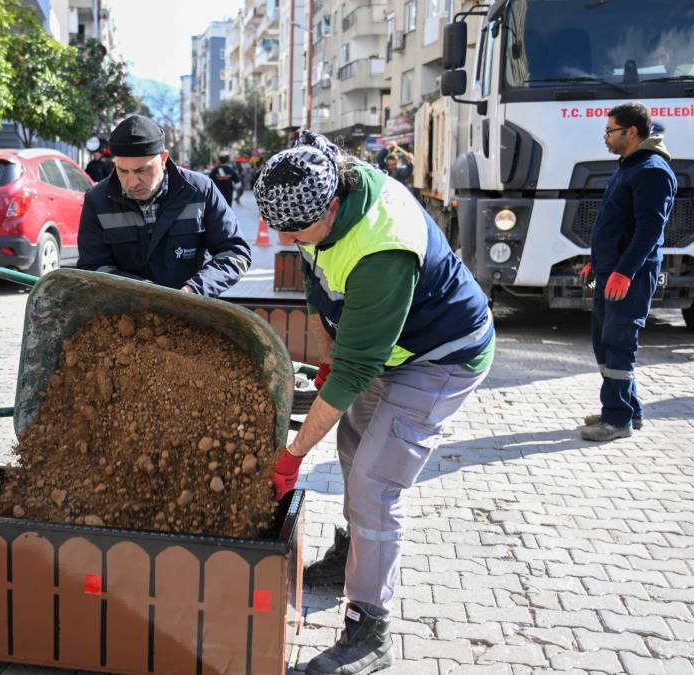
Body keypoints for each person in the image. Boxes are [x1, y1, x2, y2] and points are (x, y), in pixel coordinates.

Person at [255, 131, 495, 675]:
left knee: (374, 483)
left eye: (296, 230)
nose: (287, 238)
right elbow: (322, 291)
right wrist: (335, 351)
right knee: (350, 442)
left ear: (333, 206)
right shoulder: (318, 201)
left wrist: (292, 456)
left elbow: (356, 372)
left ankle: (371, 629)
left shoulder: (381, 246)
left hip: (442, 357)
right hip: (391, 349)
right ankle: (350, 559)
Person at [579, 102, 676, 441]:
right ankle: (625, 410)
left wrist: (624, 272)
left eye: (610, 130)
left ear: (631, 132)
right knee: (604, 342)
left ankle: (616, 420)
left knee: (619, 341)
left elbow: (650, 230)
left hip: (630, 275)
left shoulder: (652, 171)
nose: (605, 137)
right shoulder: (628, 167)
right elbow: (614, 221)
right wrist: (596, 260)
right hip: (611, 269)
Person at [76, 115, 251, 297]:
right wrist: (144, 292)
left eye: (141, 170)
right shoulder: (97, 200)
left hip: (192, 311)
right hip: (126, 314)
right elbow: (91, 267)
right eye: (122, 171)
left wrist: (195, 290)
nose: (132, 182)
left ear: (163, 158)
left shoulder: (200, 190)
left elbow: (235, 253)